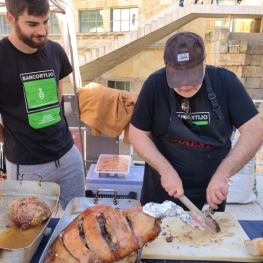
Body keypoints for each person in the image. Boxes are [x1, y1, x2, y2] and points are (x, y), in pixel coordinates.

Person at [129, 32, 263, 212]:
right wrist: (165, 170)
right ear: (167, 67)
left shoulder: (226, 83)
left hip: (210, 195)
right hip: (161, 193)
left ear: (204, 63)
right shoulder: (154, 85)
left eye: (191, 77)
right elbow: (137, 133)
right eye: (178, 78)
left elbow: (254, 131)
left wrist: (223, 175)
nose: (185, 86)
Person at [0, 0, 85, 210]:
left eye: (45, 22)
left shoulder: (55, 50)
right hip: (27, 166)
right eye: (32, 24)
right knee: (28, 231)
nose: (42, 31)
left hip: (68, 156)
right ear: (11, 18)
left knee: (75, 219)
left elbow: (57, 92)